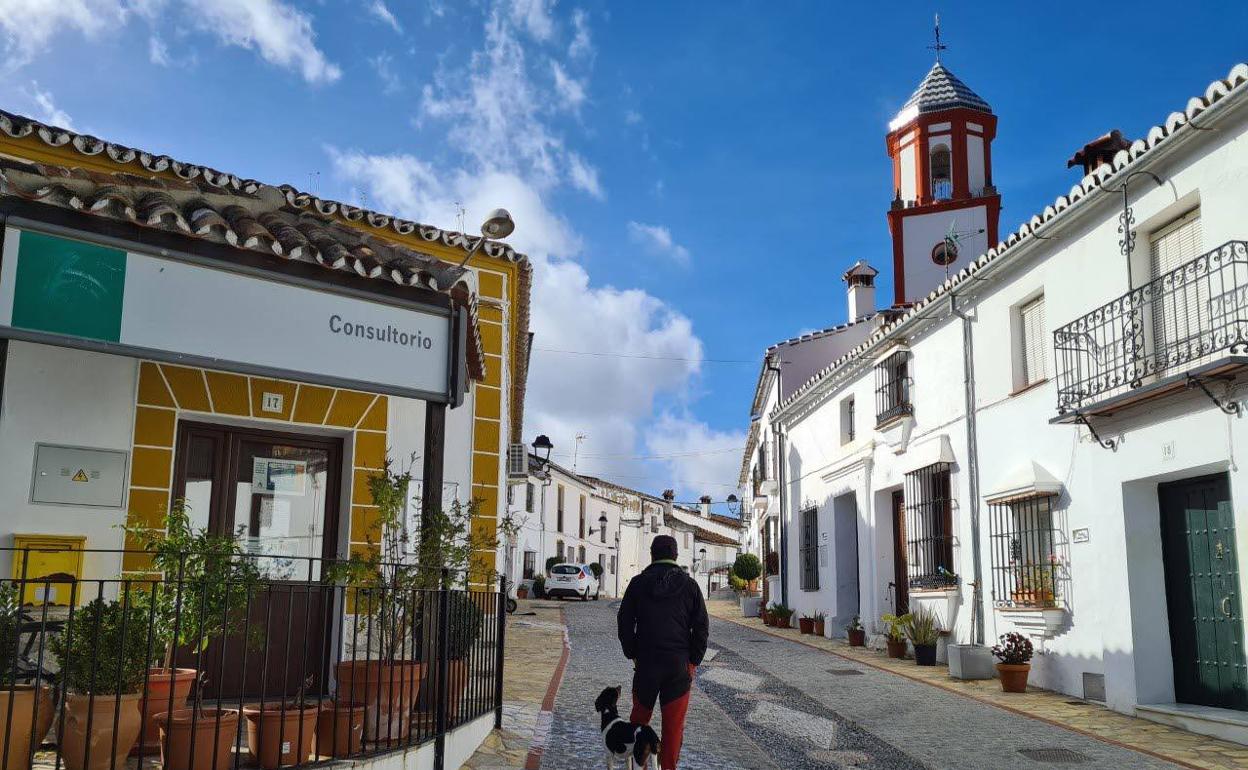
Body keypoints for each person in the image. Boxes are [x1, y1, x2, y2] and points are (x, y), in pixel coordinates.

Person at [616, 534, 709, 770]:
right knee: (673, 727)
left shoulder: (637, 583)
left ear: (652, 555)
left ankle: (640, 766)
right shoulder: (690, 586)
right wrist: (693, 661)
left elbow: (624, 621)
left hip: (646, 662)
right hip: (678, 665)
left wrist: (632, 652)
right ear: (676, 556)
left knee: (639, 720)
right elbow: (701, 627)